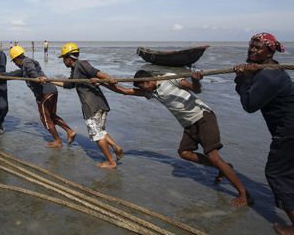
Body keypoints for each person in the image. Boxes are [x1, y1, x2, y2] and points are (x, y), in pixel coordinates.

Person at [112, 69, 251, 207]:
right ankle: (224, 167)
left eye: (142, 86)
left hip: (203, 116)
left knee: (213, 156)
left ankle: (244, 193)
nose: (144, 90)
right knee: (184, 153)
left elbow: (196, 90)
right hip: (189, 124)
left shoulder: (169, 78)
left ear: (148, 81)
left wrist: (196, 80)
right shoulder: (152, 92)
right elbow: (124, 91)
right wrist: (100, 83)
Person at [234, 32, 294, 233]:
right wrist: (243, 77)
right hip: (288, 129)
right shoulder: (266, 70)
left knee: (276, 173)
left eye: (257, 47)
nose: (252, 49)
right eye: (251, 46)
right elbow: (248, 92)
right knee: (288, 173)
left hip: (288, 131)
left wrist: (246, 77)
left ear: (269, 51)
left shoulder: (269, 75)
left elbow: (249, 105)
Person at [0, 45, 76, 148]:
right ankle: (70, 131)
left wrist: (37, 77)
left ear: (17, 59)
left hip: (44, 94)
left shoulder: (27, 63)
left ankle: (58, 141)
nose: (15, 64)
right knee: (52, 116)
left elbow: (32, 72)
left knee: (45, 119)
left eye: (14, 61)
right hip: (52, 91)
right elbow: (12, 74)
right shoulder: (24, 67)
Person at [55, 42, 123, 169]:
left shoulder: (81, 64)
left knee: (96, 135)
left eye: (63, 58)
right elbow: (69, 84)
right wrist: (51, 81)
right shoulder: (75, 70)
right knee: (100, 131)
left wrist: (109, 77)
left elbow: (95, 72)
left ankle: (111, 162)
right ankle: (116, 148)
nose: (63, 61)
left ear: (69, 58)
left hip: (92, 106)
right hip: (98, 103)